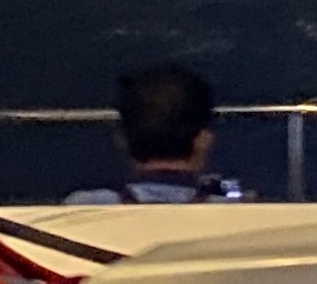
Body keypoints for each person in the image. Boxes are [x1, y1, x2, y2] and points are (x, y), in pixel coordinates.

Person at [66, 61, 244, 205]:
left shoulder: (85, 204)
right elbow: (232, 191)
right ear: (203, 140)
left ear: (122, 139)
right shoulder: (231, 204)